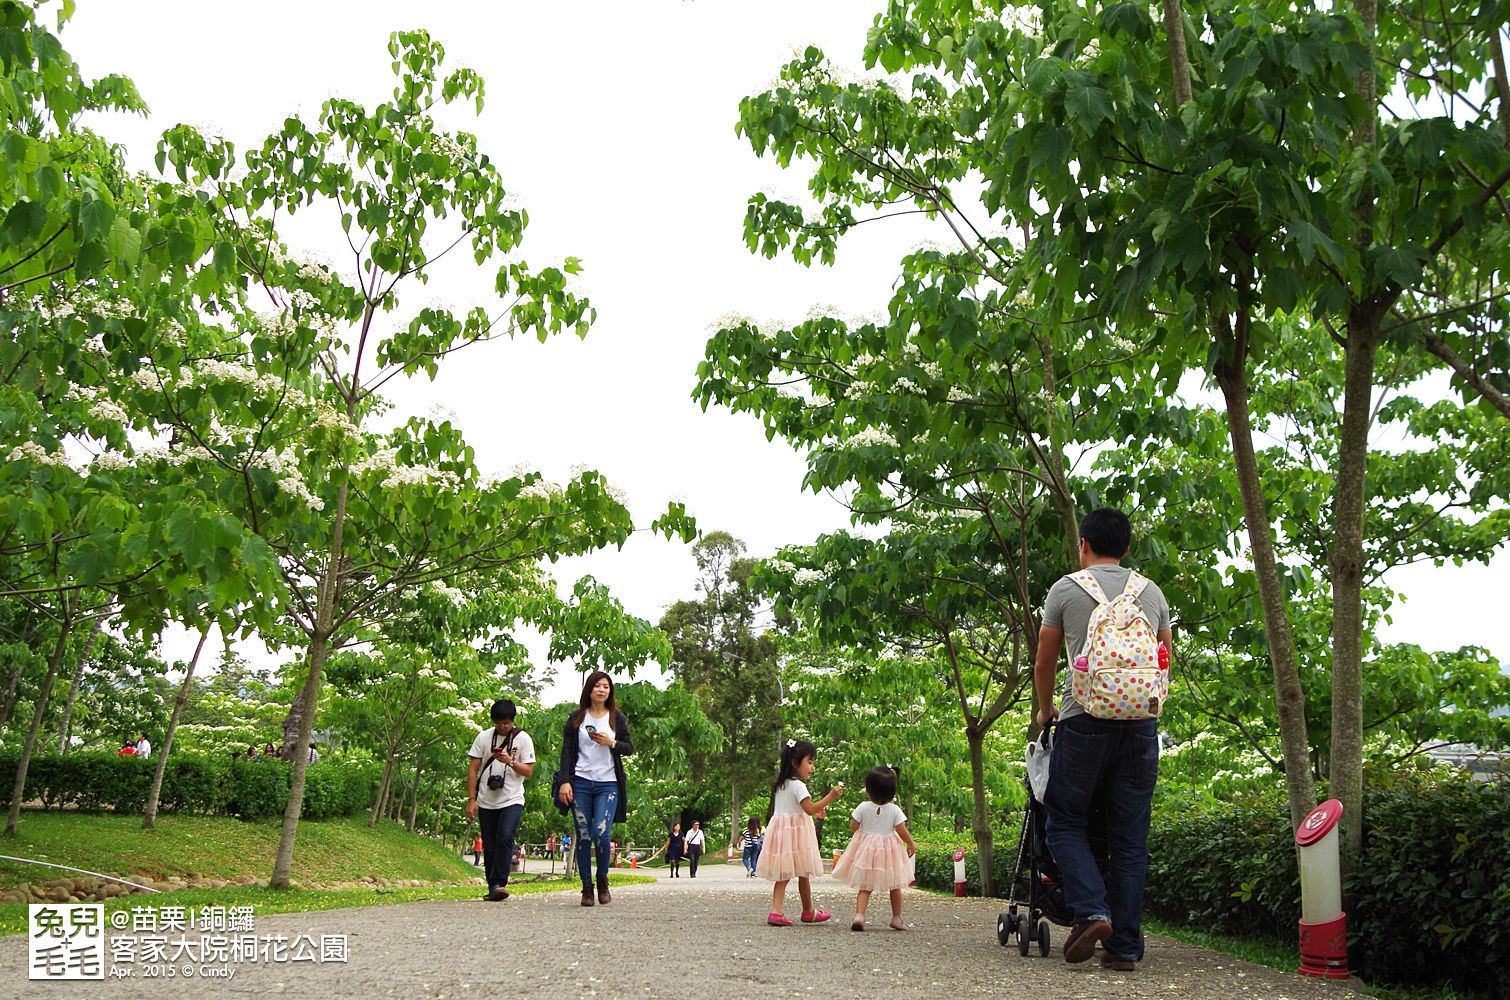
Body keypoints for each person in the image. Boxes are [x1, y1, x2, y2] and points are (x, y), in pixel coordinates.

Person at [1034, 507, 1172, 971]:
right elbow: (1164, 658)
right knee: (1130, 838)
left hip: (1083, 720)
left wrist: (1043, 707)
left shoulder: (1066, 590)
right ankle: (1125, 949)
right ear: (1128, 549)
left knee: (1064, 820)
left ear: (1084, 546)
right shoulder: (1151, 593)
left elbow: (1045, 660)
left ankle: (1092, 910)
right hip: (1139, 726)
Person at [556, 670, 634, 907]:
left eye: (606, 686)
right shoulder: (576, 718)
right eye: (597, 686)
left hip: (608, 783)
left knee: (601, 834)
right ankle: (586, 887)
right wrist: (564, 781)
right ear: (589, 690)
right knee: (583, 835)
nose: (602, 690)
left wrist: (611, 743)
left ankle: (602, 879)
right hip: (580, 781)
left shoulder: (616, 717)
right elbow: (567, 752)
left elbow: (629, 747)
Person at [755, 738, 843, 926]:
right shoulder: (798, 786)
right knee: (802, 873)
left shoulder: (782, 785)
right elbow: (809, 809)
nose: (812, 768)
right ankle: (802, 911)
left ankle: (785, 910)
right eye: (809, 762)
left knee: (785, 873)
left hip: (783, 834)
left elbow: (799, 808)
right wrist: (830, 797)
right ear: (795, 763)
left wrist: (814, 809)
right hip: (797, 834)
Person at [466, 698, 536, 902]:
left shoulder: (523, 739)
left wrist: (510, 761)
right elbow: (473, 769)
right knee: (489, 844)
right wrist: (471, 799)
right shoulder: (484, 737)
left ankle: (500, 882)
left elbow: (528, 771)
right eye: (498, 724)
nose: (502, 727)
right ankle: (493, 886)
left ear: (513, 720)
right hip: (486, 799)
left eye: (506, 723)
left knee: (505, 837)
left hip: (512, 798)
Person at [831, 765, 917, 931]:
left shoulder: (863, 806)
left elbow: (853, 826)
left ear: (869, 790)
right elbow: (902, 830)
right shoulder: (895, 810)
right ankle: (897, 918)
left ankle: (859, 915)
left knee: (865, 886)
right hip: (889, 851)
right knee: (895, 886)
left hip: (867, 850)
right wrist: (911, 843)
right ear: (892, 792)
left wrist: (863, 824)